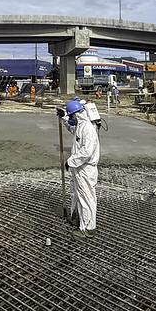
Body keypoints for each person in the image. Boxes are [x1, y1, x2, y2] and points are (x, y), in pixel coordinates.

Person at [59, 99, 100, 237]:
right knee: (78, 195)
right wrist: (64, 116)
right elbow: (72, 129)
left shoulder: (88, 128)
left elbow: (86, 152)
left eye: (71, 116)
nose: (71, 119)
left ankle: (88, 228)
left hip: (85, 169)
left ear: (77, 115)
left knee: (86, 198)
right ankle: (79, 220)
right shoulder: (81, 126)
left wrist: (70, 161)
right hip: (80, 169)